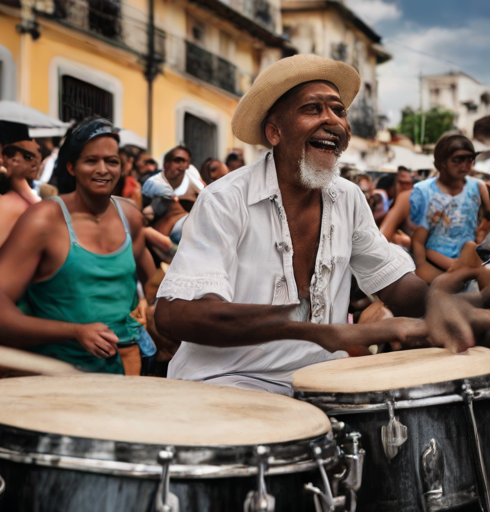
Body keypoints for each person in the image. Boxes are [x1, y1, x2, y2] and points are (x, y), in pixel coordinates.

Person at [152, 55, 487, 397]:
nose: (333, 120)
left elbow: (394, 282)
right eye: (313, 108)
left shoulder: (348, 198)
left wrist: (440, 304)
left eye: (339, 111)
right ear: (274, 132)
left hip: (319, 385)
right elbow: (173, 316)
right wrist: (319, 333)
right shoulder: (224, 199)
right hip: (224, 386)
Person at [0, 117, 157, 374]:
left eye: (111, 161)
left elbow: (155, 282)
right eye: (91, 161)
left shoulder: (130, 216)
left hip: (124, 375)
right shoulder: (44, 219)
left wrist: (152, 311)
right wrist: (74, 331)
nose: (103, 170)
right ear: (71, 167)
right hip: (56, 376)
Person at [410, 134, 490, 283]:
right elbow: (418, 243)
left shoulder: (477, 187)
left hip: (469, 260)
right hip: (434, 262)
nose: (465, 166)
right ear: (442, 163)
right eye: (458, 160)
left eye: (470, 159)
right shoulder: (423, 191)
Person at [0, 129, 41, 261]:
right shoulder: (6, 204)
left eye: (36, 157)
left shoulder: (13, 200)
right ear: (6, 158)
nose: (35, 164)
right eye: (28, 157)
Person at [142, 146, 204, 241]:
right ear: (167, 164)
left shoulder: (193, 178)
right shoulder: (153, 183)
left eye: (185, 161)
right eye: (177, 161)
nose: (181, 165)